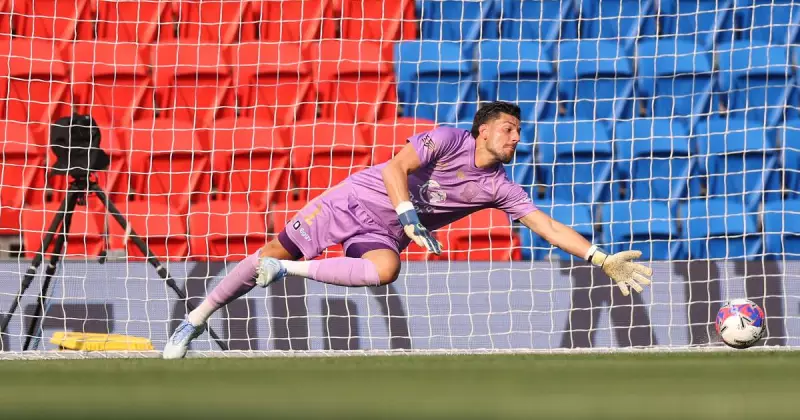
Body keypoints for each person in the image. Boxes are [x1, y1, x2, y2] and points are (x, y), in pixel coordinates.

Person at [162, 101, 653, 359]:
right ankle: (195, 320)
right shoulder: (446, 138)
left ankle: (287, 271)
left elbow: (544, 224)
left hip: (384, 232)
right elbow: (396, 169)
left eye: (519, 131)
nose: (516, 137)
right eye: (509, 129)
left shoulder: (499, 187)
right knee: (263, 252)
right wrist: (407, 215)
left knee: (386, 268)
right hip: (352, 202)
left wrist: (598, 258)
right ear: (483, 130)